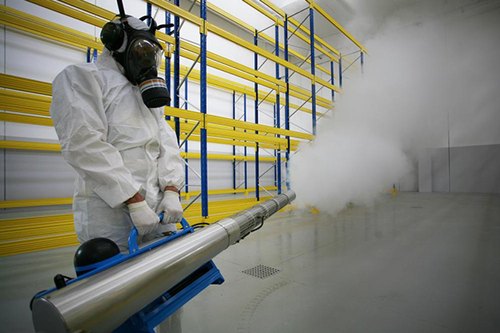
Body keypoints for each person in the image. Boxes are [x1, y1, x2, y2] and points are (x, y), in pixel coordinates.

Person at [50, 15, 184, 251]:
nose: (147, 59)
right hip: (109, 216)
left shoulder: (142, 93)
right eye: (141, 49)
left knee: (166, 278)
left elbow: (167, 143)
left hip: (158, 209)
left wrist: (172, 190)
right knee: (118, 281)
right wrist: (133, 199)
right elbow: (84, 143)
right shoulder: (83, 78)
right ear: (114, 41)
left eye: (152, 52)